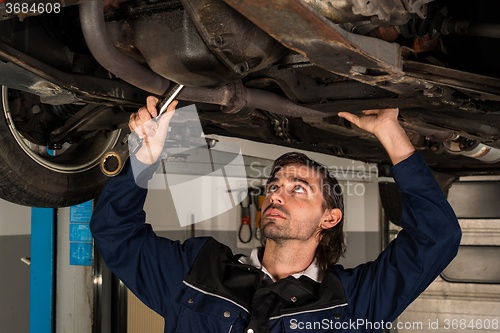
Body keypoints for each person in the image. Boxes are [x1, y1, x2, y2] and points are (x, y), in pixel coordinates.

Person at [90, 96, 461, 333]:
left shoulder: (354, 302)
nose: (276, 195)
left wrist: (389, 131)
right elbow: (117, 236)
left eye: (298, 188)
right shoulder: (197, 270)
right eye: (274, 186)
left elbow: (437, 237)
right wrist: (144, 160)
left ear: (328, 218)